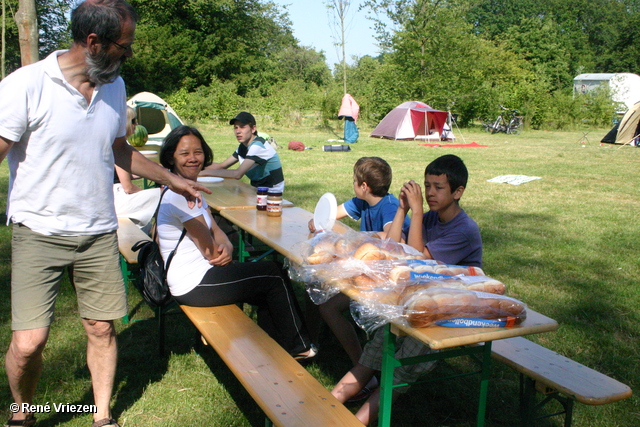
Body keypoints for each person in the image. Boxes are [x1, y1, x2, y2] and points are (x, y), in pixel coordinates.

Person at [0, 2, 207, 426]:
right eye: (123, 46)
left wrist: (172, 178)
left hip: (98, 230)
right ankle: (23, 413)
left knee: (101, 328)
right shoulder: (25, 85)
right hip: (39, 230)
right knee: (29, 343)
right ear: (93, 42)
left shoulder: (114, 86)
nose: (128, 55)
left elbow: (119, 150)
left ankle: (102, 416)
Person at [331, 154, 483, 425]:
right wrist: (402, 210)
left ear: (458, 192)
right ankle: (324, 410)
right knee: (373, 353)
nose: (430, 193)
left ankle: (354, 422)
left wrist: (416, 213)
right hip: (418, 301)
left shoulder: (464, 229)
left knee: (398, 372)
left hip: (447, 314)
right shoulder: (433, 218)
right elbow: (393, 248)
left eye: (439, 187)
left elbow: (414, 260)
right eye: (427, 186)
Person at [157, 125, 316, 359]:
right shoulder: (180, 197)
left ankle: (275, 345)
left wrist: (228, 247)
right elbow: (211, 251)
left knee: (265, 281)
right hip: (193, 284)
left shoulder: (190, 189)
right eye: (184, 153)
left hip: (200, 274)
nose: (193, 158)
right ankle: (300, 347)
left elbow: (215, 229)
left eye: (198, 152)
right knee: (272, 274)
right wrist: (219, 250)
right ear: (171, 157)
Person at [307, 157, 409, 370]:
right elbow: (331, 215)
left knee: (328, 306)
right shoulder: (362, 201)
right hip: (363, 271)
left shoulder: (389, 206)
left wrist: (360, 239)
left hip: (386, 279)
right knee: (315, 286)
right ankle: (310, 344)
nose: (352, 183)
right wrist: (317, 221)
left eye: (354, 180)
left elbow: (394, 238)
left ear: (364, 186)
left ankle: (361, 365)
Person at [200, 112, 284, 192]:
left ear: (253, 129)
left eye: (242, 127)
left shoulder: (258, 146)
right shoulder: (243, 147)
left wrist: (203, 172)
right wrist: (197, 166)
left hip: (272, 192)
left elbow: (237, 174)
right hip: (256, 189)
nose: (238, 131)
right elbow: (222, 166)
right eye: (235, 127)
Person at [113, 107, 161, 231]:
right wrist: (145, 193)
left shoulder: (112, 142)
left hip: (112, 197)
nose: (136, 124)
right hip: (116, 200)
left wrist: (145, 173)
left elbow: (120, 174)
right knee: (166, 196)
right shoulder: (119, 147)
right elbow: (128, 187)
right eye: (133, 120)